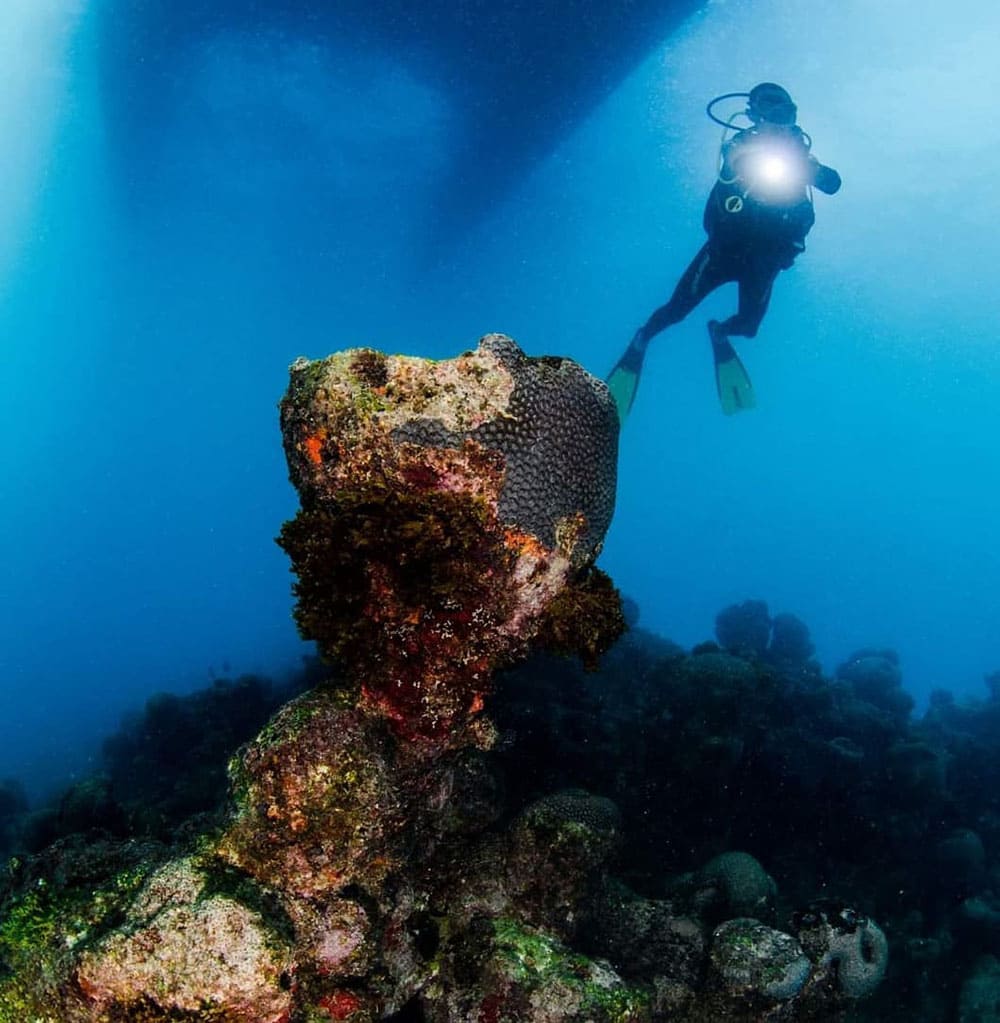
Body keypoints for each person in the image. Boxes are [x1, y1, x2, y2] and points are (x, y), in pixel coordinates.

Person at [607, 82, 841, 417]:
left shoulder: (801, 155)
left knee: (749, 326)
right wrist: (748, 161)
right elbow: (730, 165)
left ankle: (719, 332)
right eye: (770, 112)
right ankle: (642, 339)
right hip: (724, 252)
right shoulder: (741, 145)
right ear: (754, 115)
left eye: (785, 112)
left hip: (764, 260)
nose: (778, 120)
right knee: (676, 310)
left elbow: (833, 184)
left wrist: (811, 169)